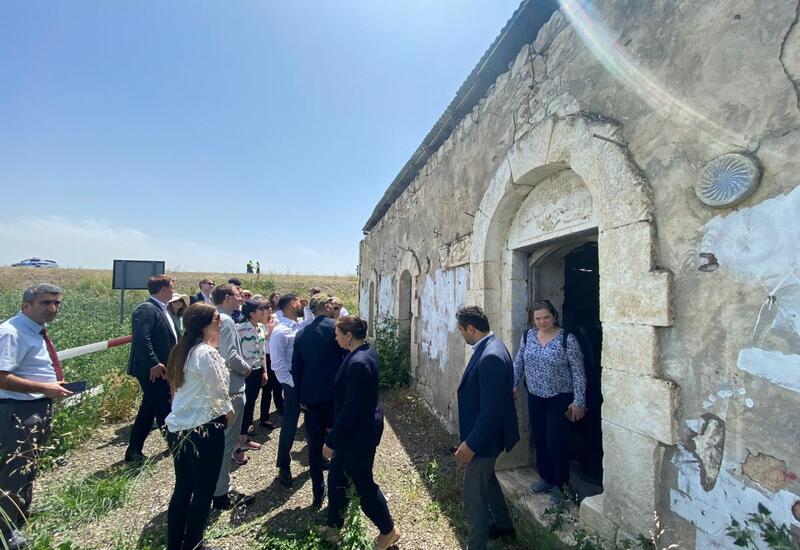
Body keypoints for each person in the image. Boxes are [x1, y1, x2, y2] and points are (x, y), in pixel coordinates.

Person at [0, 284, 74, 550]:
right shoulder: (11, 333)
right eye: (45, 303)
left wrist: (49, 388)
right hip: (19, 410)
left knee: (28, 466)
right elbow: (1, 377)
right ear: (26, 305)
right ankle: (6, 532)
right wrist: (44, 387)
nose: (52, 308)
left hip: (36, 406)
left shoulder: (34, 330)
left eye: (57, 303)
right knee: (16, 469)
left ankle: (20, 512)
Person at [322, 316, 399, 550]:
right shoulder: (364, 351)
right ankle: (333, 526)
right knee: (336, 476)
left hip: (358, 434)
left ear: (348, 336)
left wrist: (331, 440)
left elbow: (352, 409)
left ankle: (388, 530)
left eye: (337, 334)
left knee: (362, 483)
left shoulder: (358, 362)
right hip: (354, 431)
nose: (335, 338)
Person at [165, 304, 233, 550]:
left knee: (183, 487)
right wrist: (229, 414)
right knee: (204, 490)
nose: (220, 322)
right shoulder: (205, 353)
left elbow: (176, 391)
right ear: (204, 324)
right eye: (216, 318)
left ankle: (175, 542)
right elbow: (218, 392)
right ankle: (194, 543)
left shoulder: (182, 349)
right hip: (203, 427)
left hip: (179, 427)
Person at [455, 306, 519, 550]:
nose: (461, 334)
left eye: (462, 330)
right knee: (489, 481)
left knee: (474, 498)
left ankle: (476, 545)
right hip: (485, 436)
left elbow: (491, 411)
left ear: (471, 328)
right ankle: (504, 526)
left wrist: (471, 444)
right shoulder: (493, 346)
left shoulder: (491, 355)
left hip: (484, 441)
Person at [512, 300, 586, 503]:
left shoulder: (567, 339)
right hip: (535, 396)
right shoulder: (528, 336)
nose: (542, 322)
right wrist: (512, 384)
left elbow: (578, 372)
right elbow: (519, 361)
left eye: (546, 317)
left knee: (556, 441)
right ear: (533, 319)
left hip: (560, 397)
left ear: (554, 316)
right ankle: (546, 478)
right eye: (538, 318)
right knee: (540, 438)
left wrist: (579, 401)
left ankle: (561, 486)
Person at [292, 293, 346, 509]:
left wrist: (301, 397)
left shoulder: (302, 333)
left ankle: (317, 492)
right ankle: (338, 491)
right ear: (327, 306)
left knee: (314, 446)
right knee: (338, 442)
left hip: (312, 398)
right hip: (335, 397)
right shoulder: (337, 329)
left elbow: (296, 368)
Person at [125, 275, 178, 465]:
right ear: (163, 289)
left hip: (162, 369)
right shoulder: (146, 309)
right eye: (171, 287)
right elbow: (141, 338)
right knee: (164, 407)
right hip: (153, 371)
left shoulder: (161, 309)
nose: (173, 291)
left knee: (148, 410)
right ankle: (177, 446)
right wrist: (153, 363)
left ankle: (133, 451)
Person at [211, 284, 255, 510]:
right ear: (227, 298)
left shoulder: (211, 316)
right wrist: (246, 368)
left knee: (218, 441)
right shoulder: (226, 320)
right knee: (227, 442)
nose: (241, 299)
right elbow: (229, 356)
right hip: (231, 387)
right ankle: (222, 493)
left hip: (216, 387)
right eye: (238, 296)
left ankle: (214, 486)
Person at [269, 293, 305, 487]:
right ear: (292, 303)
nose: (302, 304)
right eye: (299, 301)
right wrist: (291, 383)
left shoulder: (298, 324)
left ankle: (318, 457)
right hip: (292, 382)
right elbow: (277, 363)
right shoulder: (280, 331)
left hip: (305, 379)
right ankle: (283, 464)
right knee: (290, 422)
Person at [236, 299, 275, 451]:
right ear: (252, 313)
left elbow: (262, 351)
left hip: (258, 371)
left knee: (251, 402)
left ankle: (243, 436)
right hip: (245, 372)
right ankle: (238, 439)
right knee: (243, 405)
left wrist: (264, 371)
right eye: (261, 309)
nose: (265, 311)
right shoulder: (239, 329)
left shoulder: (260, 327)